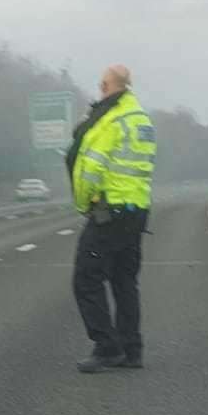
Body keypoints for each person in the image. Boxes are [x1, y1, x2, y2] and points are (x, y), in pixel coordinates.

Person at [65, 64, 156, 373]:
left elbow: (89, 171)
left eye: (101, 84)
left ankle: (106, 347)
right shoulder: (141, 119)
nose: (99, 90)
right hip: (136, 211)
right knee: (124, 281)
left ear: (107, 85)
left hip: (109, 212)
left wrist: (82, 205)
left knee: (86, 278)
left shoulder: (109, 121)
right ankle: (132, 350)